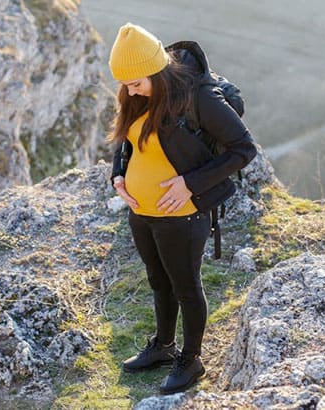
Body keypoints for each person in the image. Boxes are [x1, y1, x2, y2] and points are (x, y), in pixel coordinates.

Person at [107, 22, 257, 395]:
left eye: (136, 82)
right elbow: (126, 139)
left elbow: (243, 149)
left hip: (181, 214)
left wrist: (189, 184)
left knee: (185, 287)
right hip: (141, 212)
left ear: (156, 69)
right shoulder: (137, 91)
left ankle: (191, 361)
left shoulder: (197, 98)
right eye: (124, 84)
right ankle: (162, 345)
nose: (129, 90)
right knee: (158, 282)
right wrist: (119, 175)